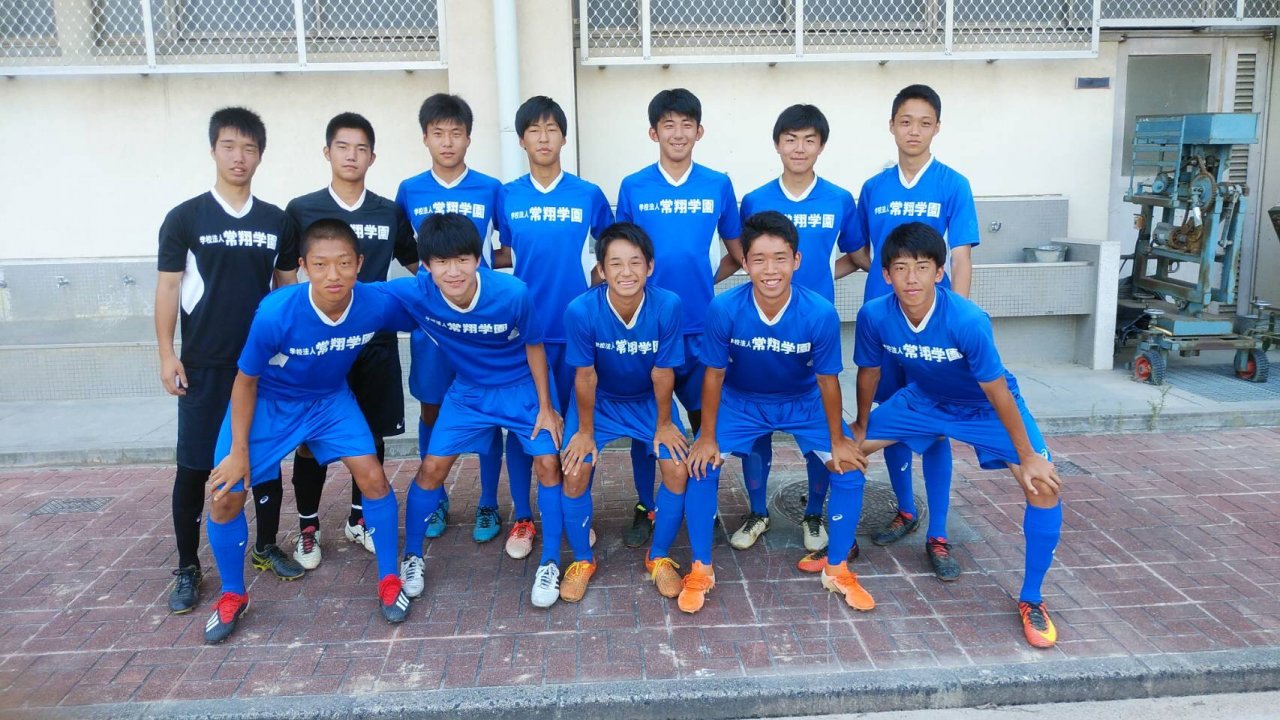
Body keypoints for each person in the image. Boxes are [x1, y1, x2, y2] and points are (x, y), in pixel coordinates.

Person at [202, 219, 416, 643]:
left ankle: (389, 579)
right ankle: (232, 594)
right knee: (226, 495)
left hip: (329, 400)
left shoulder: (375, 303)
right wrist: (239, 452)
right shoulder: (276, 313)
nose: (333, 274)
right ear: (303, 267)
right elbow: (245, 381)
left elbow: (436, 298)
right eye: (320, 265)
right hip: (269, 403)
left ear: (360, 263)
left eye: (343, 263)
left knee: (373, 478)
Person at [853, 222, 1062, 648]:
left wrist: (1028, 456)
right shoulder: (875, 314)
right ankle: (838, 554)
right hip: (925, 400)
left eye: (922, 267)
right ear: (886, 274)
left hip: (984, 408)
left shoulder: (967, 319)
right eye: (901, 268)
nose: (911, 278)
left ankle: (1032, 599)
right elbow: (869, 371)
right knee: (842, 452)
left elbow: (997, 390)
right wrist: (858, 424)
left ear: (939, 272)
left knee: (1043, 486)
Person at [379, 213, 582, 609]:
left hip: (521, 388)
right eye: (442, 262)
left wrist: (546, 406)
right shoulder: (416, 292)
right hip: (469, 392)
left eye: (462, 260)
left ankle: (550, 561)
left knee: (548, 464)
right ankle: (413, 556)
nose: (453, 271)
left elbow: (534, 346)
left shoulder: (512, 293)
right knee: (431, 468)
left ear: (478, 259)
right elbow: (357, 295)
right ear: (427, 265)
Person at [684, 211, 872, 614]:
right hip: (742, 401)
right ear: (744, 262)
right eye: (759, 259)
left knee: (850, 468)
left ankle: (837, 568)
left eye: (780, 258)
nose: (770, 270)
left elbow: (827, 381)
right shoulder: (724, 308)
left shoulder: (819, 312)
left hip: (803, 400)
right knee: (700, 466)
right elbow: (714, 374)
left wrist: (838, 440)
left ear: (797, 260)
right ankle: (701, 568)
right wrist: (706, 436)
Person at [155, 106, 302, 616]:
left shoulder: (276, 221)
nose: (239, 157)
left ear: (260, 155)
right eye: (229, 146)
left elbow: (287, 290)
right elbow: (168, 288)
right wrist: (167, 354)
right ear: (213, 150)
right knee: (195, 466)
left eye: (249, 148)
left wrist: (290, 354)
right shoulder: (186, 218)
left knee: (263, 460)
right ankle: (188, 566)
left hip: (259, 367)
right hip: (204, 365)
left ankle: (265, 546)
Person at [850, 84, 980, 581]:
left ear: (937, 128)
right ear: (891, 125)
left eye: (924, 122)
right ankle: (905, 509)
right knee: (891, 414)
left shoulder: (953, 184)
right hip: (884, 326)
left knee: (934, 423)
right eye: (905, 121)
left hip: (933, 331)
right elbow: (863, 254)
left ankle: (938, 532)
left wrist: (956, 324)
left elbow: (961, 257)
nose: (914, 131)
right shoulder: (873, 188)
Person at [284, 112, 417, 570]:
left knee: (371, 433)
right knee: (310, 438)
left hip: (373, 343)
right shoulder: (302, 209)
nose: (351, 156)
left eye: (361, 149)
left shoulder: (388, 211)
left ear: (372, 157)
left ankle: (359, 518)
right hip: (317, 349)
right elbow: (285, 273)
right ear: (328, 152)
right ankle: (308, 526)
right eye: (343, 147)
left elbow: (418, 263)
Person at [614, 88, 742, 547]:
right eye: (668, 124)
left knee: (706, 422)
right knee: (648, 422)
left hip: (702, 329)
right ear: (654, 133)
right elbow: (621, 255)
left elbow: (737, 253)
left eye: (687, 124)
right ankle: (646, 505)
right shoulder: (634, 186)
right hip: (649, 329)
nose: (678, 133)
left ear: (699, 131)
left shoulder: (717, 184)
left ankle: (702, 505)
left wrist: (707, 278)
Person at [736, 104, 862, 566]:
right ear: (777, 144)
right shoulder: (754, 200)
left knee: (819, 424)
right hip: (761, 331)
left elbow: (856, 254)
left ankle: (813, 513)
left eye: (809, 139)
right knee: (756, 423)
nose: (799, 148)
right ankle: (756, 512)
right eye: (790, 139)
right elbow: (747, 257)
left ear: (821, 145)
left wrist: (824, 276)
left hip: (813, 333)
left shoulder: (839, 199)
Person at [493, 95, 614, 562]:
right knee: (526, 427)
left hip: (577, 333)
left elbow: (609, 254)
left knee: (580, 425)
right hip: (525, 335)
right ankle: (524, 516)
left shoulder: (588, 195)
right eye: (534, 130)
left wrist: (593, 298)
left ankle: (576, 510)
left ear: (564, 137)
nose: (543, 138)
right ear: (522, 140)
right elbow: (506, 252)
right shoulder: (507, 196)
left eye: (551, 129)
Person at [396, 93, 510, 546]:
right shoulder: (409, 190)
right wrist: (432, 283)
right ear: (425, 138)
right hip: (431, 325)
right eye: (438, 133)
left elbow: (504, 248)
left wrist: (480, 283)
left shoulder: (490, 189)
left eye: (456, 133)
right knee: (432, 405)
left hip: (481, 323)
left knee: (488, 408)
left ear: (468, 138)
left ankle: (488, 501)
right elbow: (405, 249)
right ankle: (438, 497)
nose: (447, 142)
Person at [560, 222, 687, 602]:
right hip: (599, 402)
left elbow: (663, 372)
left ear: (650, 266)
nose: (626, 272)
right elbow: (585, 375)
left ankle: (659, 557)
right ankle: (582, 560)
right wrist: (585, 433)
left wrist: (664, 425)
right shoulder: (581, 310)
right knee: (575, 470)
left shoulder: (667, 305)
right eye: (615, 263)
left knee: (677, 468)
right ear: (601, 270)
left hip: (648, 400)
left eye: (635, 262)